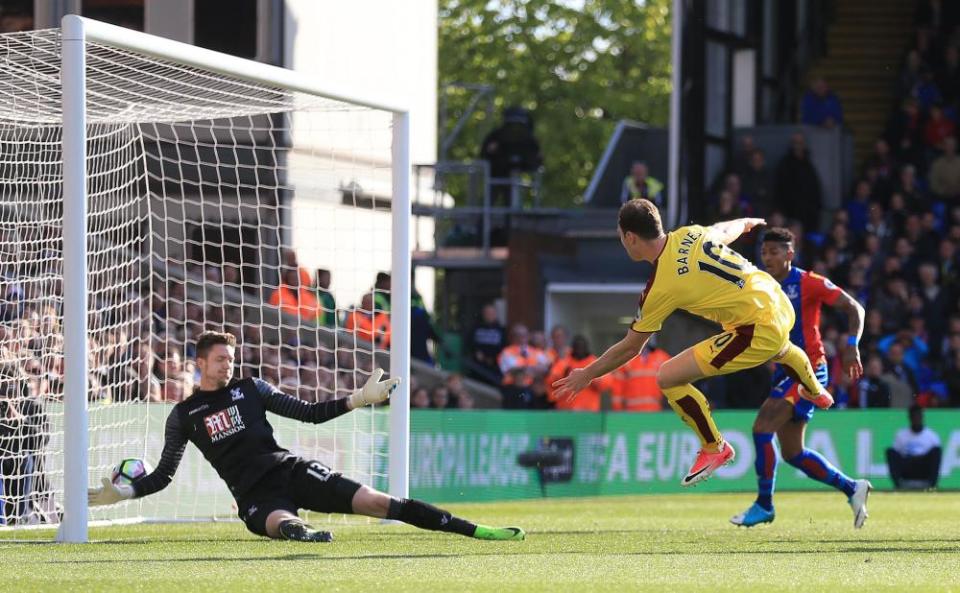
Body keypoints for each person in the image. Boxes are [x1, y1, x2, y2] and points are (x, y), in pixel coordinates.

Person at [88, 331, 524, 542]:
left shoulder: (251, 388)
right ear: (200, 362)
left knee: (378, 502)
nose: (228, 365)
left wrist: (357, 398)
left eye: (231, 358)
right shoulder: (184, 415)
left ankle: (476, 531)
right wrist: (123, 494)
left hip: (290, 470)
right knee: (282, 523)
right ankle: (305, 533)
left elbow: (310, 414)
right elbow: (164, 475)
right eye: (220, 359)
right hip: (254, 496)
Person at [552, 199, 834, 487]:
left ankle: (714, 447)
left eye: (621, 237)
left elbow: (630, 347)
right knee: (781, 347)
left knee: (668, 377)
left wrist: (587, 373)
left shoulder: (661, 286)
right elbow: (725, 229)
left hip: (757, 329)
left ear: (630, 237)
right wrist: (746, 224)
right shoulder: (690, 233)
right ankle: (814, 389)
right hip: (777, 301)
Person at [730, 228, 872, 529]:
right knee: (793, 453)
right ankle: (852, 488)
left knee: (761, 428)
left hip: (809, 368)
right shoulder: (762, 285)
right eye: (764, 252)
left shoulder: (808, 282)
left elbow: (854, 308)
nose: (767, 257)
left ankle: (764, 505)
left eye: (774, 252)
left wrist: (851, 346)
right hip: (784, 370)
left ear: (789, 254)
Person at [545, 335, 613, 412]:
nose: (579, 350)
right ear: (573, 348)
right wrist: (563, 375)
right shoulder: (564, 362)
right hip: (566, 412)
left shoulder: (595, 362)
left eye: (582, 347)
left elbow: (606, 384)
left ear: (586, 348)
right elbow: (551, 382)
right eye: (577, 347)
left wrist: (590, 376)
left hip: (589, 412)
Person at [887, 405, 942, 489]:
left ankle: (932, 486)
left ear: (922, 417)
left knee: (937, 451)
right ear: (909, 418)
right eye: (914, 417)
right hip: (908, 466)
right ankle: (898, 485)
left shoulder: (931, 436)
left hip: (923, 467)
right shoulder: (901, 435)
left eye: (918, 416)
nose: (916, 419)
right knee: (890, 452)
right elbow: (896, 455)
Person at [611, 337, 670, 412]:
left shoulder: (662, 357)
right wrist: (617, 410)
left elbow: (673, 382)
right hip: (631, 412)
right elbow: (617, 386)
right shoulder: (626, 358)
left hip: (654, 411)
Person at [466, 304, 506, 384]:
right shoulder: (475, 328)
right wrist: (476, 352)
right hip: (478, 365)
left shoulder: (502, 329)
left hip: (495, 365)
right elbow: (469, 343)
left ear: (495, 314)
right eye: (487, 313)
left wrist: (494, 358)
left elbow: (504, 346)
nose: (489, 315)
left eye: (491, 313)